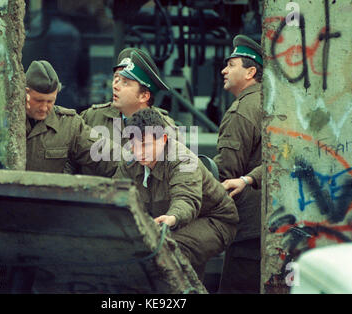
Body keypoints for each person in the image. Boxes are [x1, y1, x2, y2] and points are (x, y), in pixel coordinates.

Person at [113, 111, 238, 279]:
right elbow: (117, 194)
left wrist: (172, 217)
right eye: (134, 145)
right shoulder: (129, 161)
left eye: (145, 144)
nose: (139, 152)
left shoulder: (182, 159)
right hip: (165, 223)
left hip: (214, 220)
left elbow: (186, 198)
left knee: (168, 250)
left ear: (164, 139)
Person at [213, 35, 264, 294]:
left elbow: (225, 172)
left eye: (231, 65)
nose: (224, 69)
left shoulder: (241, 111)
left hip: (248, 228)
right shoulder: (270, 102)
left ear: (250, 71)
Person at [25, 60, 117, 176]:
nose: (44, 107)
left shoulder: (68, 125)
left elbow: (107, 155)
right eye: (38, 100)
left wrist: (137, 163)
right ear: (25, 93)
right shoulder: (5, 120)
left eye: (50, 101)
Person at [80, 47, 177, 147]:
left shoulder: (165, 128)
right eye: (116, 78)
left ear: (144, 96)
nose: (115, 86)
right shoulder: (92, 117)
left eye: (125, 82)